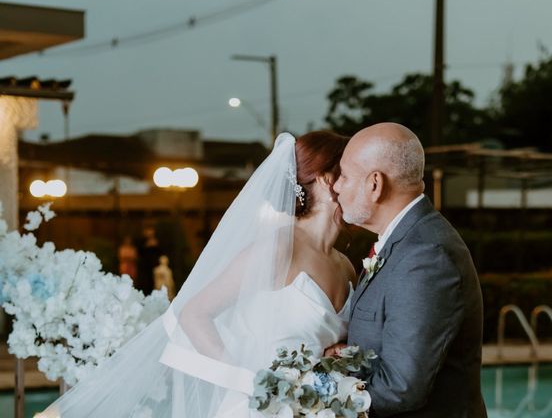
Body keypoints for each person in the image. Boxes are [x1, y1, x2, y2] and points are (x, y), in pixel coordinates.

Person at [40, 130, 355, 417]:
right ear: (328, 181)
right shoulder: (277, 249)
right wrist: (250, 382)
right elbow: (193, 314)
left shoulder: (346, 265)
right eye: (351, 174)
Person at [331, 122, 487, 418]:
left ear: (375, 184)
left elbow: (401, 388)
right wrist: (345, 356)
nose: (337, 186)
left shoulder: (425, 256)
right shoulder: (407, 241)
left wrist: (319, 402)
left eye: (345, 176)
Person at [137, 225, 163, 295]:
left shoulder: (157, 240)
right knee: (146, 283)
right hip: (145, 267)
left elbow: (161, 253)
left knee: (156, 283)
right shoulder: (142, 241)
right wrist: (147, 245)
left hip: (155, 266)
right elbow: (139, 252)